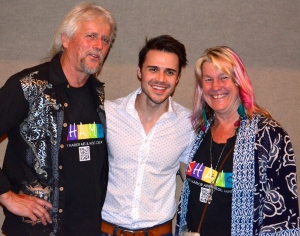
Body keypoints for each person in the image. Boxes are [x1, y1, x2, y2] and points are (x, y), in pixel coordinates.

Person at [0, 3, 117, 236]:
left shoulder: (98, 95)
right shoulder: (27, 87)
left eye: (105, 40)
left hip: (87, 229)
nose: (99, 46)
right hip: (36, 230)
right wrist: (6, 196)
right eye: (91, 36)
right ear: (66, 39)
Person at [176, 46, 299, 236]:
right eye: (208, 79)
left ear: (238, 82)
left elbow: (283, 215)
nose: (215, 86)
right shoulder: (199, 133)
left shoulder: (268, 136)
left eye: (224, 77)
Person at [100, 35, 194, 236]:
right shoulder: (108, 113)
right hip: (106, 230)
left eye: (169, 72)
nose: (160, 79)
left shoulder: (188, 124)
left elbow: (194, 179)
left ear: (177, 78)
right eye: (153, 69)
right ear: (139, 72)